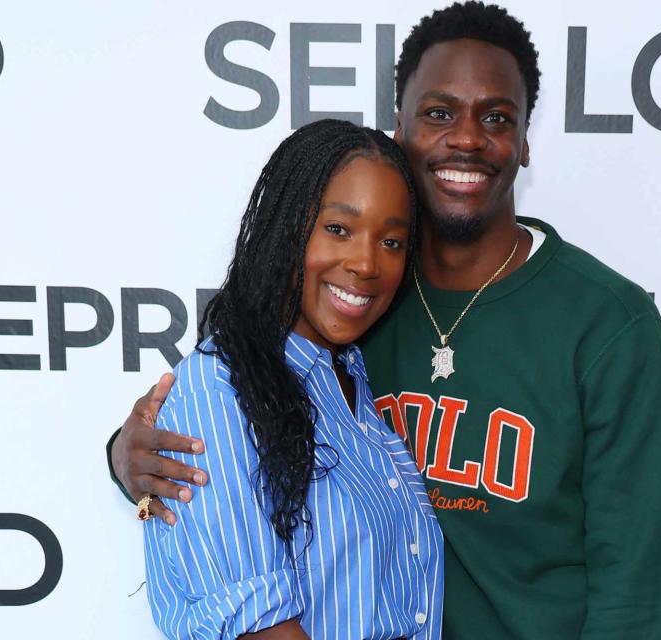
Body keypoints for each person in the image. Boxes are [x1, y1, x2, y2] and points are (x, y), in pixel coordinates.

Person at [110, 3, 661, 638]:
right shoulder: (354, 308)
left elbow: (640, 592)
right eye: (439, 113)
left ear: (526, 140)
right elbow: (234, 449)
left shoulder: (607, 323)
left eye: (497, 117)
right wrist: (129, 456)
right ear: (401, 131)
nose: (467, 138)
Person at [139, 119, 443, 639]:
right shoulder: (217, 389)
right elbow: (257, 626)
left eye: (391, 241)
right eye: (339, 229)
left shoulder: (353, 381)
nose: (367, 263)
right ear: (287, 226)